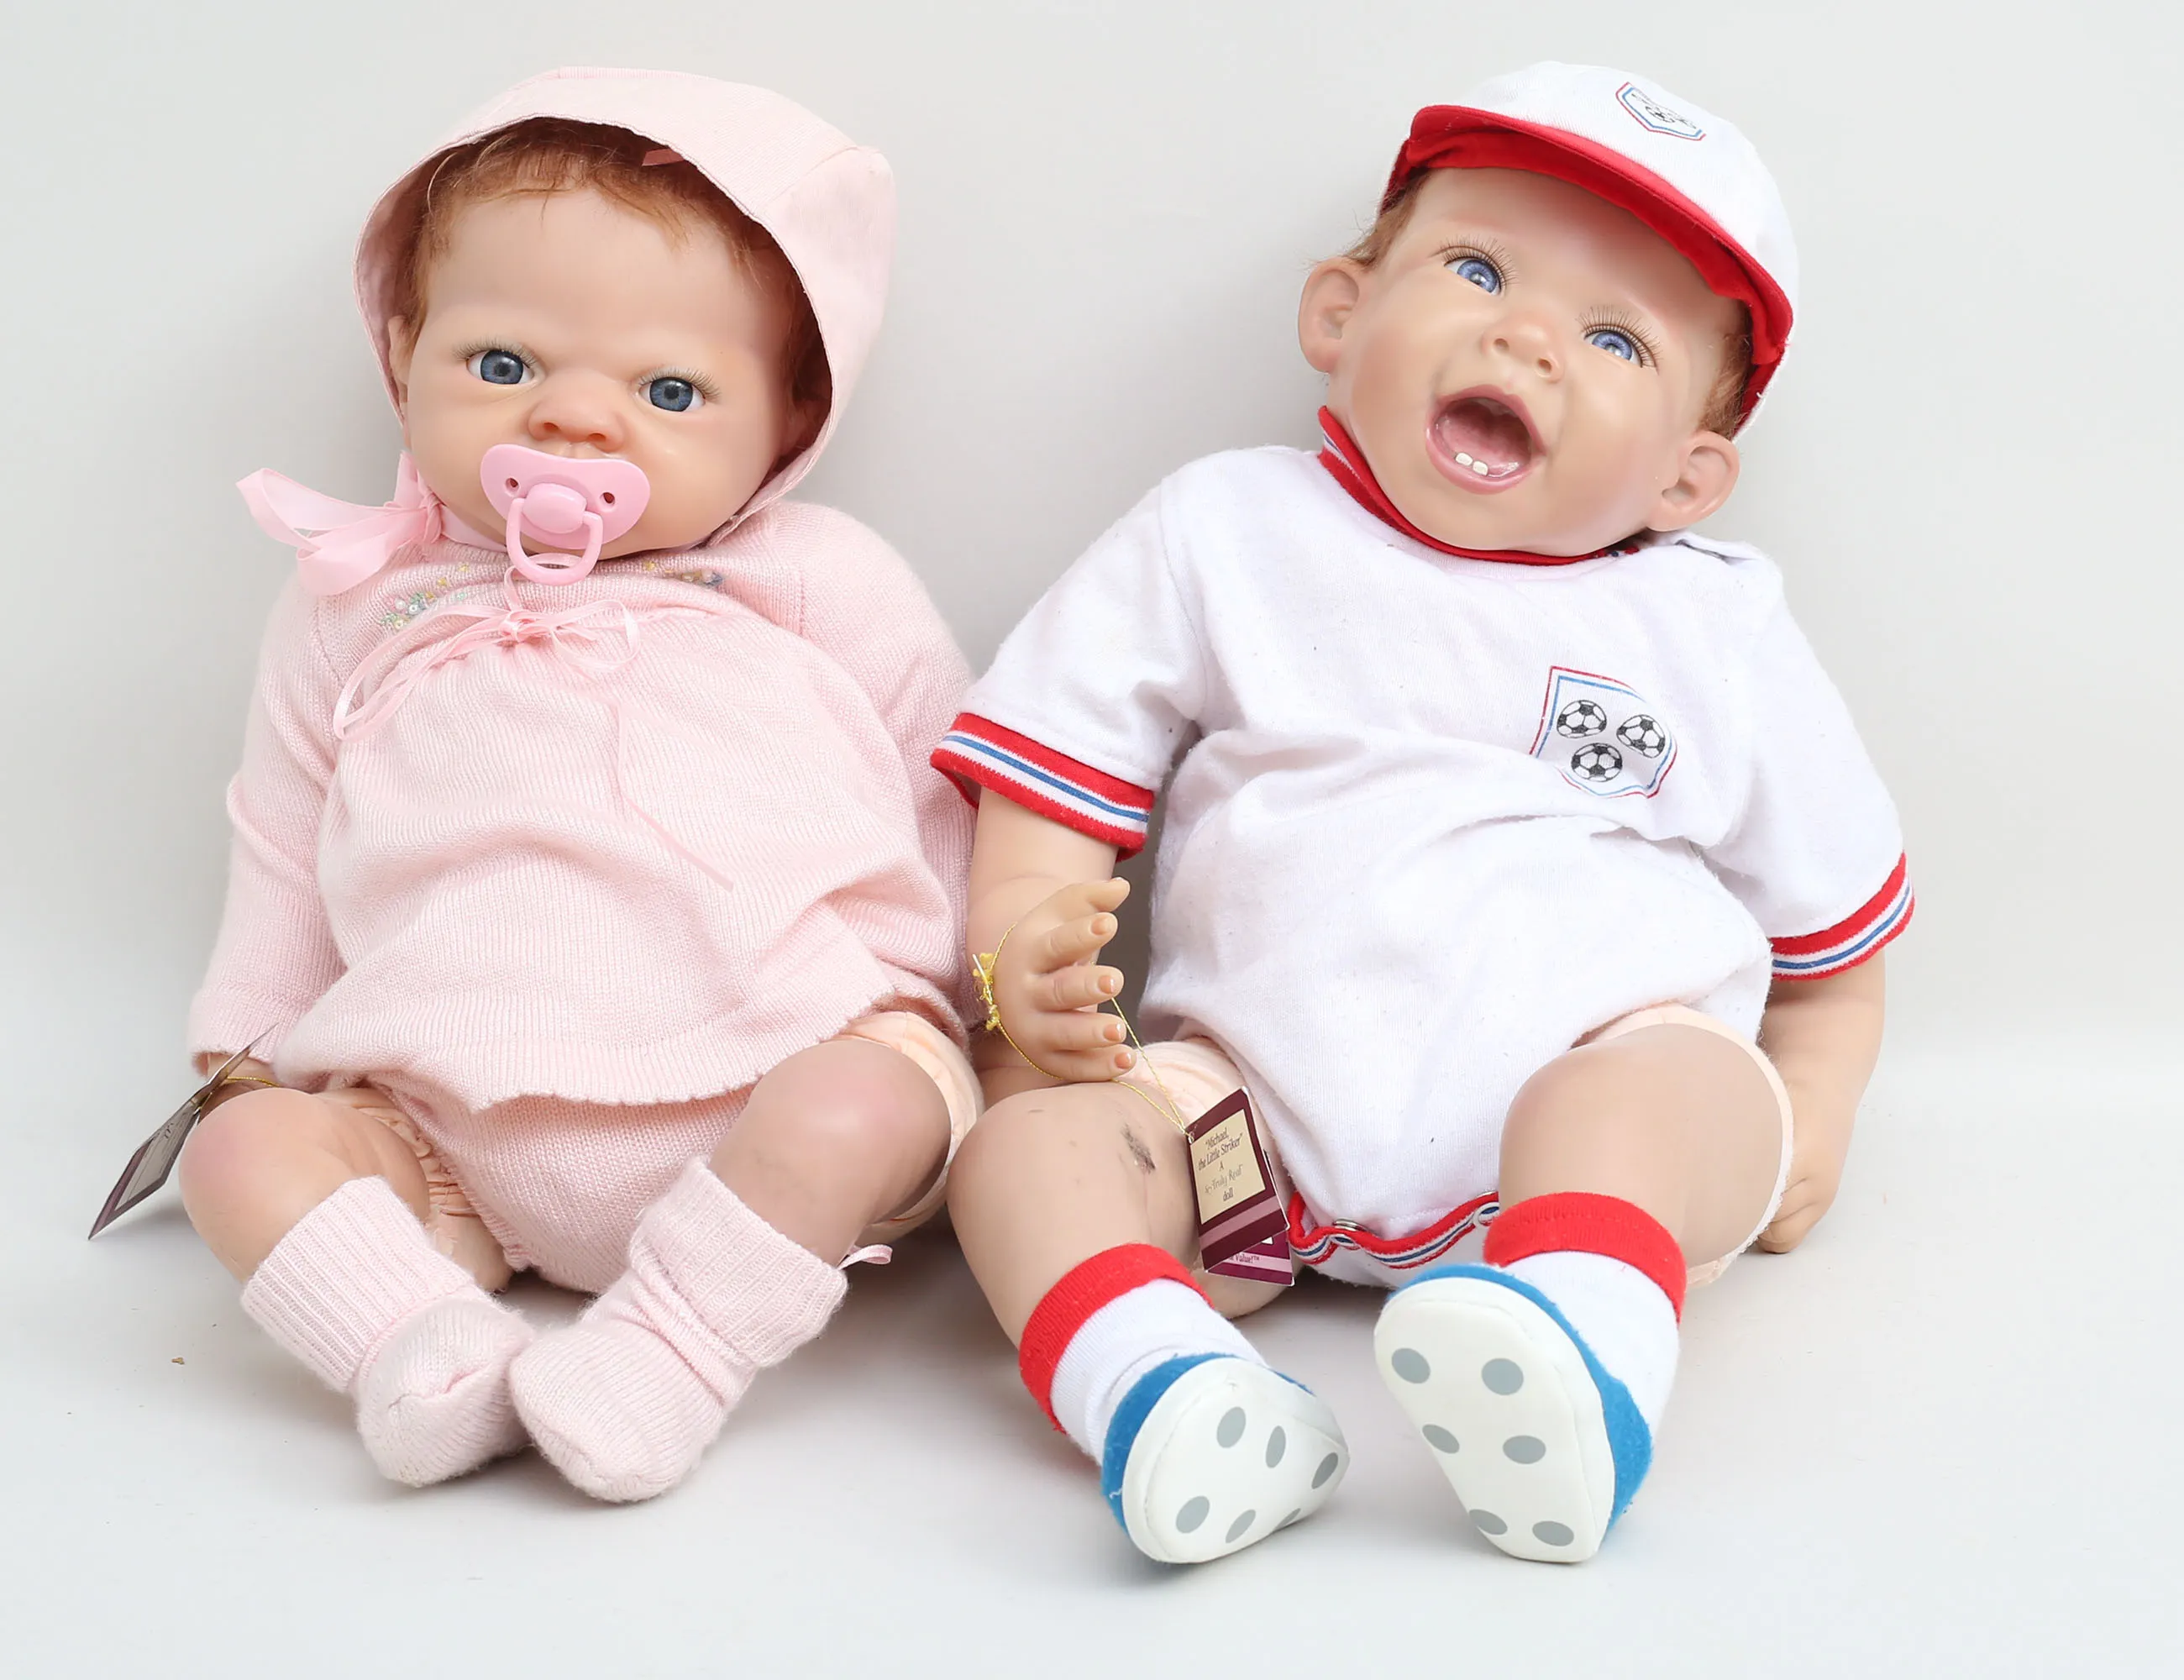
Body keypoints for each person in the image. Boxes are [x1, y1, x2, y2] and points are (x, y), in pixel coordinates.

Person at [937, 62, 1908, 1565]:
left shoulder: (1711, 626)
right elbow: (1047, 790)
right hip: (1248, 1137)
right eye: (1478, 270)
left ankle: (1578, 1354)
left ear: (1688, 475)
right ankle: (1167, 1389)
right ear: (1341, 312)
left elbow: (1837, 926)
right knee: (1017, 1158)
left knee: (1654, 1100)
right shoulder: (1227, 530)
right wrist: (1021, 972)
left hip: (1587, 1113)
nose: (1528, 338)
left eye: (1615, 339)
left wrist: (1818, 1104)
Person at [180, 68, 977, 1503]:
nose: (573, 423)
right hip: (447, 1134)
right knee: (237, 1158)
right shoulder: (359, 602)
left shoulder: (818, 584)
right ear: (403, 350)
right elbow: (283, 831)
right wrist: (246, 1043)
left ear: (791, 414)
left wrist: (970, 1014)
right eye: (502, 364)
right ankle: (424, 1349)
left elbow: (946, 796)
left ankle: (672, 1351)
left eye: (670, 392)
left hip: (774, 1080)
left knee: (870, 1103)